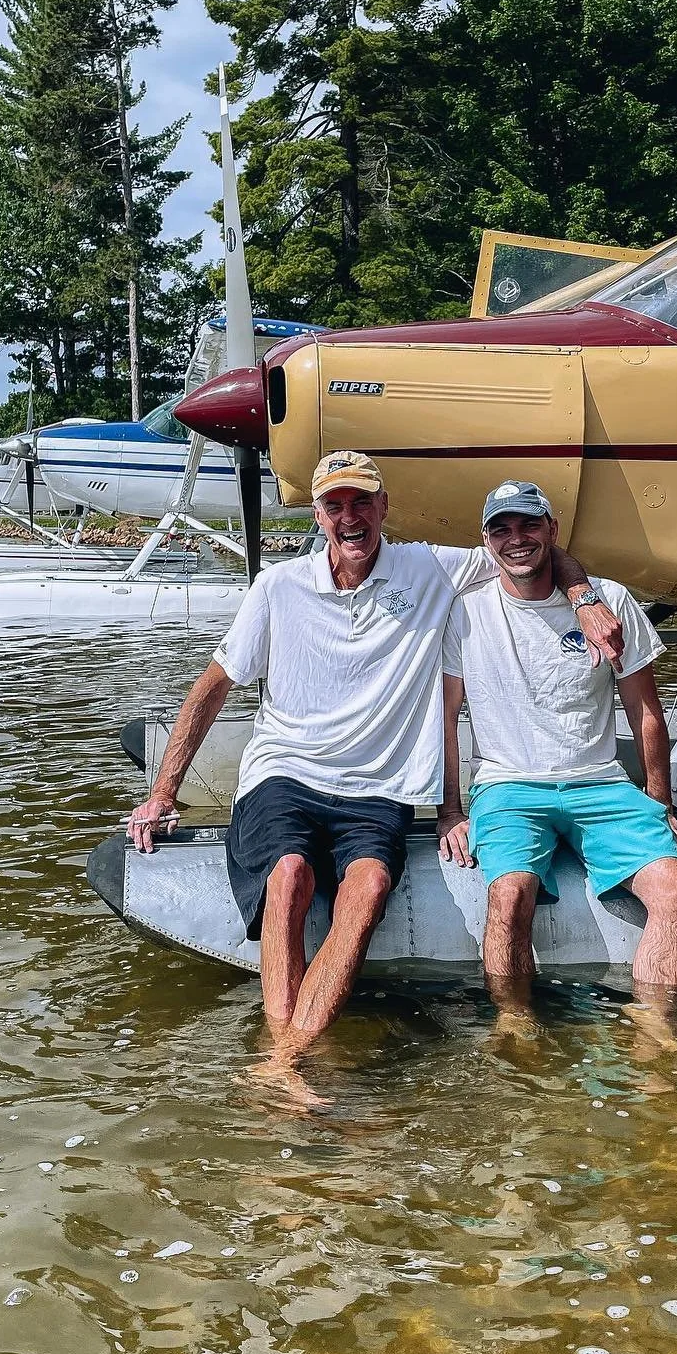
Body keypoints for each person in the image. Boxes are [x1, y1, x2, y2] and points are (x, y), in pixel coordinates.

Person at [123, 451, 624, 1081]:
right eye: (335, 505)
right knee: (289, 877)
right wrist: (163, 792)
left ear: (384, 508)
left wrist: (584, 600)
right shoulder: (277, 587)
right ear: (317, 514)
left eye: (363, 502)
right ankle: (287, 1057)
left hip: (378, 787)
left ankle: (282, 1063)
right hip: (285, 772)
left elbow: (529, 551)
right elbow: (214, 686)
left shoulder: (428, 568)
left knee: (366, 890)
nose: (350, 517)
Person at [436, 479, 677, 1019]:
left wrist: (660, 800)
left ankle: (656, 1031)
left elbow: (646, 710)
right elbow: (445, 718)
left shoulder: (611, 601)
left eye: (530, 524)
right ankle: (513, 1024)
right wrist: (450, 811)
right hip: (507, 785)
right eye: (501, 528)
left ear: (553, 531)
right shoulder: (464, 612)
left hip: (600, 782)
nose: (517, 538)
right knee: (508, 895)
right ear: (486, 541)